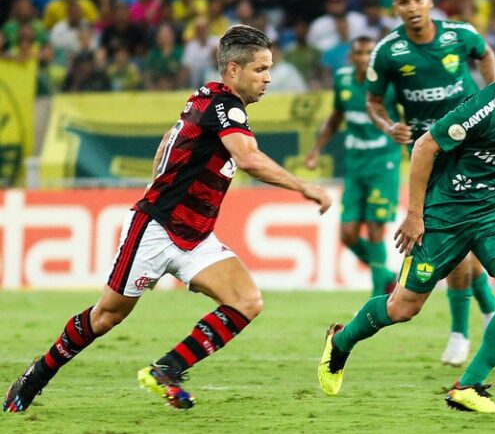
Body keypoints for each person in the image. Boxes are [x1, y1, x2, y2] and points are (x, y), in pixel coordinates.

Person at [3, 25, 332, 413]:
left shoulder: (207, 99)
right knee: (106, 316)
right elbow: (248, 159)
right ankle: (36, 376)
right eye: (260, 69)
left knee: (247, 301)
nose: (268, 78)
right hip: (156, 230)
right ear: (233, 71)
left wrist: (168, 175)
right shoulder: (225, 106)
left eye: (269, 68)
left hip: (195, 236)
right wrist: (303, 187)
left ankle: (168, 370)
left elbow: (167, 141)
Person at [319, 32, 495, 413]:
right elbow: (424, 146)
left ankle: (468, 387)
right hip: (445, 215)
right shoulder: (484, 108)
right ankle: (340, 341)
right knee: (403, 307)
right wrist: (415, 215)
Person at [366, 0, 495, 367]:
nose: (411, 6)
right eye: (403, 2)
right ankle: (475, 319)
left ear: (430, 1)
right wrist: (389, 125)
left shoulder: (458, 34)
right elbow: (374, 102)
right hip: (429, 155)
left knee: (466, 239)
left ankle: (472, 324)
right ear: (396, 9)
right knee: (458, 246)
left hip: (471, 148)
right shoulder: (388, 52)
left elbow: (486, 54)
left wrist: (491, 93)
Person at [305, 36, 401, 296]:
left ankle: (377, 298)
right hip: (356, 163)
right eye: (360, 53)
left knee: (374, 229)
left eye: (370, 52)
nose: (365, 57)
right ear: (352, 57)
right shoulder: (343, 80)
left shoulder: (390, 84)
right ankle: (386, 274)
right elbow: (336, 117)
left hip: (384, 162)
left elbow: (408, 116)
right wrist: (316, 149)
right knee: (347, 234)